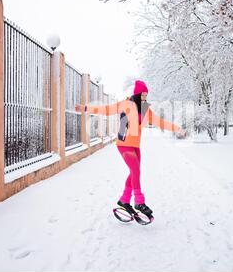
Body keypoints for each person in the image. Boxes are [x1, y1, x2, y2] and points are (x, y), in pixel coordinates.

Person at [75, 80, 186, 218]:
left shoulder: (146, 109)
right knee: (134, 170)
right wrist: (86, 108)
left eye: (146, 95)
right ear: (137, 93)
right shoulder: (125, 104)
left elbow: (159, 122)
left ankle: (124, 200)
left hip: (135, 145)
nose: (145, 97)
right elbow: (106, 110)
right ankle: (139, 201)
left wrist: (177, 129)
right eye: (143, 94)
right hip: (124, 144)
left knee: (135, 172)